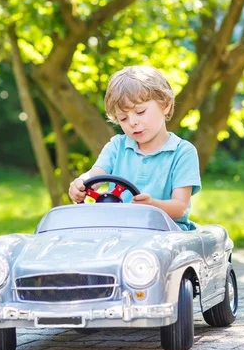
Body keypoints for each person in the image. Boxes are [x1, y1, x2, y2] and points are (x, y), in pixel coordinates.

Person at [68, 65, 201, 230]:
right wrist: (81, 183)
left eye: (140, 112)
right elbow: (95, 175)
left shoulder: (182, 152)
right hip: (119, 230)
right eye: (123, 118)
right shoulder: (117, 147)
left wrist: (153, 206)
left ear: (165, 104)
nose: (132, 122)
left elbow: (180, 207)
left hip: (166, 233)